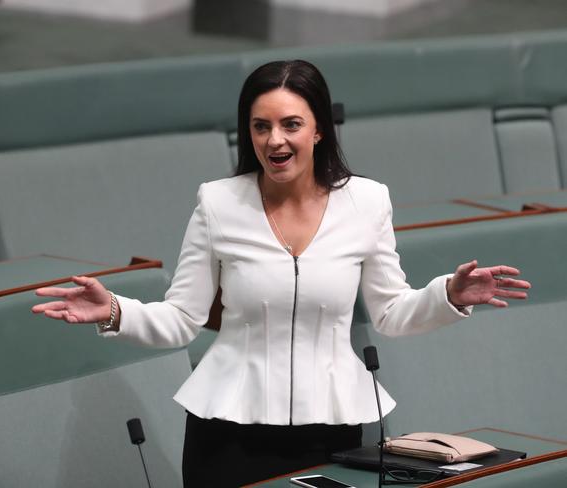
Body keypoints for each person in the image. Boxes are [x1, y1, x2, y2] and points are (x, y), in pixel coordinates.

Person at [32, 60, 531, 487]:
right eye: (260, 126)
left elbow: (392, 313)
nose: (275, 140)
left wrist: (450, 294)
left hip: (330, 430)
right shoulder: (218, 202)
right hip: (224, 433)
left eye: (291, 124)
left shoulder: (367, 201)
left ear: (318, 130)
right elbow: (183, 317)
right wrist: (115, 310)